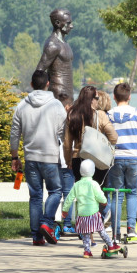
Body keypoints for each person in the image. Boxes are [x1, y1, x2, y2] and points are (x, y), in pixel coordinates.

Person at [10, 69, 67, 246]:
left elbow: (14, 133)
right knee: (56, 191)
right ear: (48, 83)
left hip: (31, 157)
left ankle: (37, 236)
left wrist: (14, 156)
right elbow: (62, 132)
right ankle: (47, 222)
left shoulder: (21, 106)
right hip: (50, 156)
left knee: (35, 196)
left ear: (32, 84)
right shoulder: (56, 105)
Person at [106, 82, 137, 238]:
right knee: (132, 193)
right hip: (133, 158)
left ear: (114, 96)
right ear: (129, 96)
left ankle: (116, 231)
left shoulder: (109, 115)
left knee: (116, 195)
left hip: (115, 158)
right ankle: (131, 228)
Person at [62, 159, 119, 258]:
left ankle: (87, 251)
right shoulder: (94, 184)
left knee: (86, 234)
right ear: (93, 171)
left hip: (82, 215)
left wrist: (65, 210)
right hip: (93, 214)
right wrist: (104, 202)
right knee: (101, 231)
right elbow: (100, 196)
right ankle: (110, 245)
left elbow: (69, 198)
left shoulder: (77, 185)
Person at [64, 85, 118, 185]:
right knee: (97, 192)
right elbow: (114, 138)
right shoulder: (100, 115)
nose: (98, 101)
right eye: (97, 98)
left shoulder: (72, 115)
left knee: (82, 193)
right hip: (97, 158)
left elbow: (67, 143)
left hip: (78, 158)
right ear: (91, 100)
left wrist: (68, 161)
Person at [36, 8, 75, 101]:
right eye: (68, 23)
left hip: (68, 94)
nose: (72, 26)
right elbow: (39, 72)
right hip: (58, 95)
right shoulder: (53, 45)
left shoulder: (65, 43)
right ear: (57, 23)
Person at [56, 92, 76, 235]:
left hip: (54, 162)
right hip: (67, 163)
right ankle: (67, 224)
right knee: (68, 195)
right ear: (68, 107)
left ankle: (51, 222)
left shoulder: (52, 119)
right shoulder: (70, 121)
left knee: (55, 194)